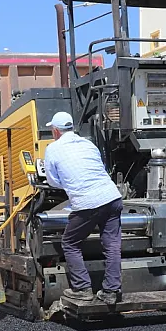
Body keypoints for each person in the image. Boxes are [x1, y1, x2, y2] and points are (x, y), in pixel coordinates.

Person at [42, 112, 124, 305]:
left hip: (87, 203)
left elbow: (53, 181)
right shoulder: (88, 144)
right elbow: (100, 168)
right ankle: (111, 291)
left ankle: (82, 288)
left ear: (55, 131)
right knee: (112, 245)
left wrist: (68, 183)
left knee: (70, 243)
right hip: (112, 197)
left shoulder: (52, 149)